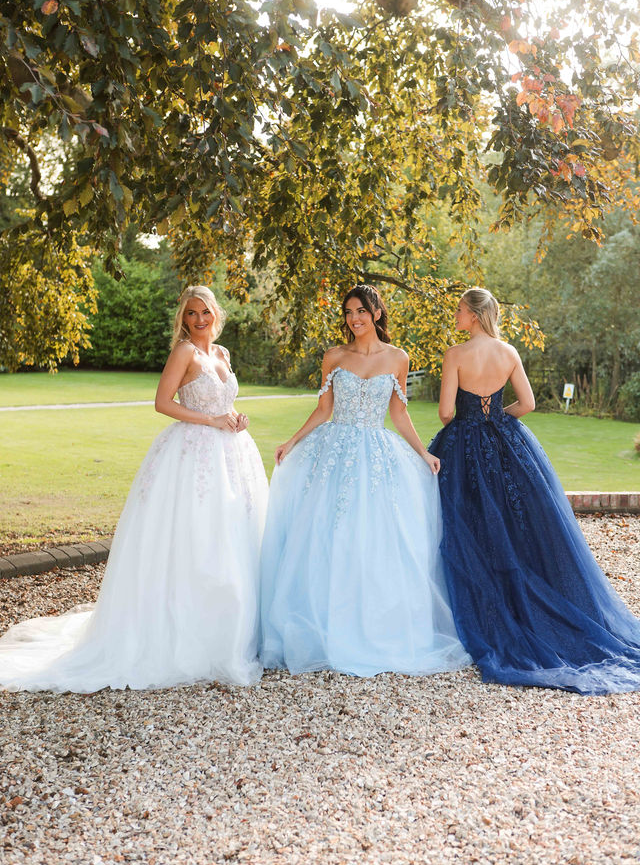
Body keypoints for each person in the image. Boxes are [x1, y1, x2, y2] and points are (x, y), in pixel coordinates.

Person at [0, 286, 268, 691]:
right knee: (193, 536)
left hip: (231, 454)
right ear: (184, 317)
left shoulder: (222, 354)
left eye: (205, 312)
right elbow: (163, 402)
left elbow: (224, 403)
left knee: (229, 536)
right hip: (192, 454)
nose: (199, 320)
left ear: (216, 314)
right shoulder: (183, 353)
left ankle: (231, 629)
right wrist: (211, 421)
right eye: (191, 313)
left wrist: (233, 417)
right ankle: (185, 634)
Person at [429, 287, 640, 694]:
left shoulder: (455, 354)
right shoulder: (508, 352)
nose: (455, 315)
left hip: (464, 444)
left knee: (467, 523)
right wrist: (497, 420)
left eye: (459, 310)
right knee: (516, 523)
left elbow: (445, 412)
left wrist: (471, 424)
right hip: (507, 443)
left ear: (473, 314)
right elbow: (526, 404)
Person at [259, 284, 470, 677]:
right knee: (326, 533)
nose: (354, 318)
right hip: (334, 452)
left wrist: (423, 453)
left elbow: (399, 414)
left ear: (375, 312)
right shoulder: (334, 356)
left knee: (374, 536)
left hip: (376, 455)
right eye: (348, 312)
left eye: (360, 311)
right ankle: (322, 629)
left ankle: (372, 628)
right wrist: (292, 441)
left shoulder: (398, 357)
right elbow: (323, 409)